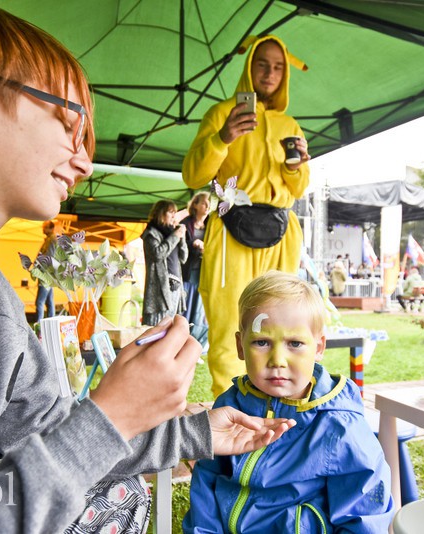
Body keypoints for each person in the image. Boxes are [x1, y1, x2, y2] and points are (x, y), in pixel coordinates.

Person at [0, 2, 296, 530]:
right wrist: (113, 411)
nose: (84, 160)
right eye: (69, 122)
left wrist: (196, 433)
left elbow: (59, 429)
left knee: (120, 496)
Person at [182, 271, 394, 533]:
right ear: (240, 346)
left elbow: (364, 512)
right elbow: (207, 478)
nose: (277, 360)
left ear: (318, 348)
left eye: (295, 343)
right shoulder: (231, 405)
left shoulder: (339, 423)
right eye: (261, 342)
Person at [182, 35, 311, 397]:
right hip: (231, 228)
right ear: (248, 66)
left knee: (282, 323)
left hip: (282, 231)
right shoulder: (222, 113)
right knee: (229, 326)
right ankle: (233, 412)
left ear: (285, 74)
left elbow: (298, 188)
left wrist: (298, 164)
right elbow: (193, 175)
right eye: (262, 64)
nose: (270, 73)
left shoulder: (291, 125)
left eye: (278, 67)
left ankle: (279, 406)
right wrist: (222, 138)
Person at [141, 200, 188, 326]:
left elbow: (183, 258)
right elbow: (158, 254)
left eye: (175, 213)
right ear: (160, 213)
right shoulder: (151, 233)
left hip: (177, 285)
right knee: (158, 325)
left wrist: (181, 237)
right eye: (170, 212)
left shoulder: (173, 232)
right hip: (161, 287)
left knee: (170, 326)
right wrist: (175, 236)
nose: (174, 216)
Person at [181, 192, 210, 341]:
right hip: (189, 272)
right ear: (195, 205)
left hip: (206, 272)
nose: (207, 206)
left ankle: (197, 341)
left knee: (201, 309)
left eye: (209, 203)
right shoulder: (186, 224)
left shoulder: (212, 225)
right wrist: (194, 245)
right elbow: (180, 247)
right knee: (187, 306)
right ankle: (183, 338)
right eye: (204, 203)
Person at [35, 220, 59, 324]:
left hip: (46, 274)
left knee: (39, 302)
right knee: (49, 302)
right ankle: (51, 323)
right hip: (49, 275)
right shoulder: (50, 239)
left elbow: (48, 257)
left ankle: (39, 325)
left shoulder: (52, 239)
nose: (42, 229)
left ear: (50, 228)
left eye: (44, 227)